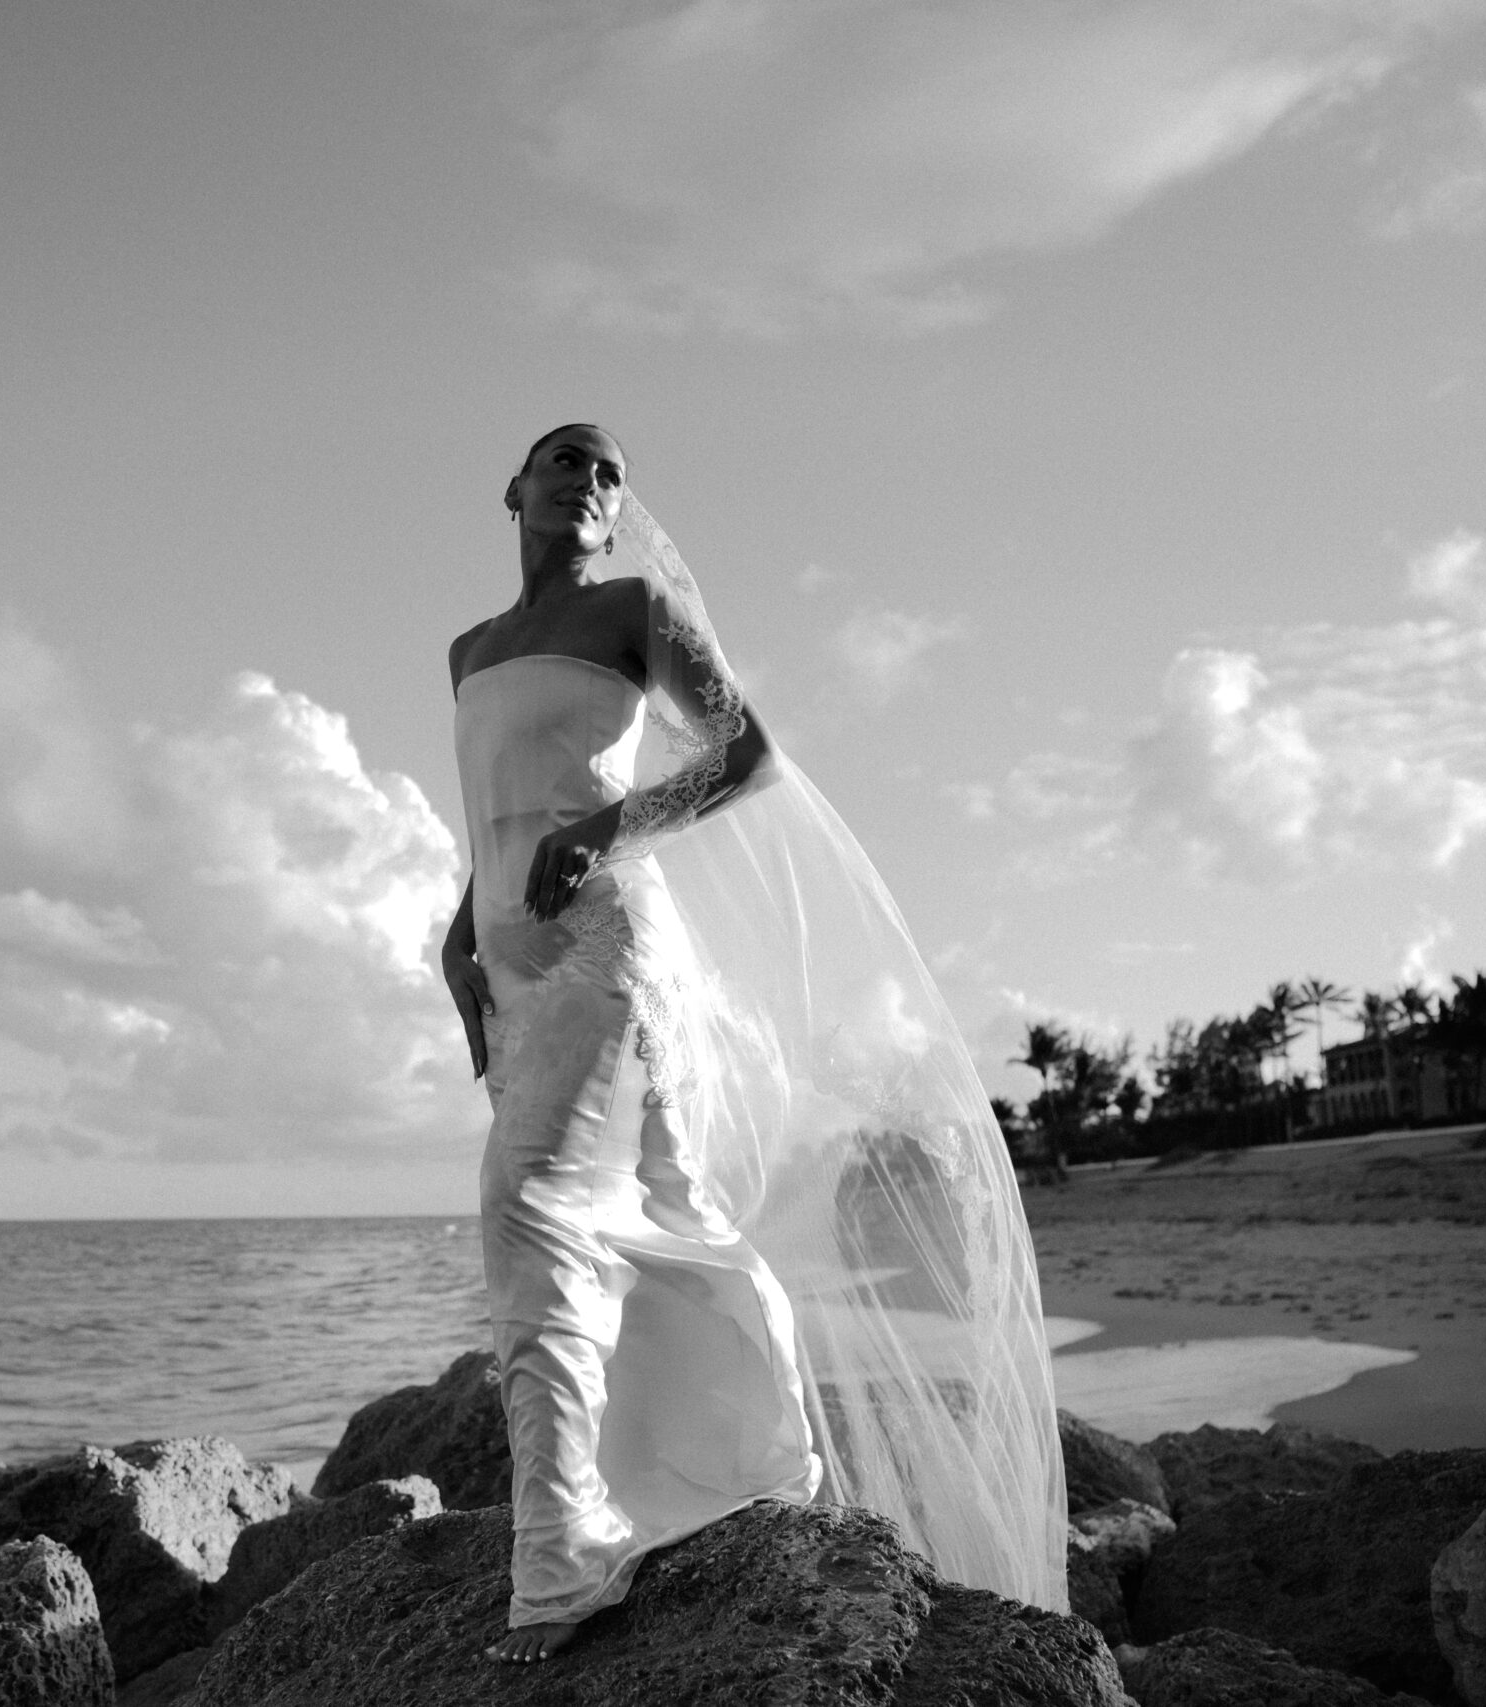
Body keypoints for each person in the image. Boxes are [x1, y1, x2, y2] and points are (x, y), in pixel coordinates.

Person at [445, 425, 1068, 1665]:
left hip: (606, 940)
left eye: (609, 472)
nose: (588, 481)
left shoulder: (634, 609)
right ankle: (752, 1456)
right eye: (565, 460)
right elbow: (494, 803)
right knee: (660, 1212)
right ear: (512, 489)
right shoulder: (468, 650)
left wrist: (607, 827)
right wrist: (459, 938)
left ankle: (557, 1568)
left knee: (528, 1207)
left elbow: (746, 755)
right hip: (509, 958)